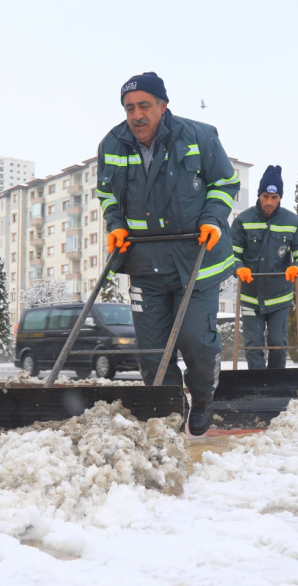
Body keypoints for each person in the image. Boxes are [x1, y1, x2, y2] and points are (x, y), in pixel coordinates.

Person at [97, 71, 240, 436]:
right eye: (129, 108)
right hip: (145, 263)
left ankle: (204, 396)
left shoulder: (198, 137)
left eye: (144, 106)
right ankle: (172, 408)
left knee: (195, 339)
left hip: (196, 258)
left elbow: (225, 182)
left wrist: (211, 218)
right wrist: (115, 225)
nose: (136, 115)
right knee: (151, 353)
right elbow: (108, 196)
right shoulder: (112, 145)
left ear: (163, 105)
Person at [231, 165, 298, 369]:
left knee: (278, 343)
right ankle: (258, 388)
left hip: (280, 296)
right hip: (250, 297)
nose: (269, 202)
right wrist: (238, 267)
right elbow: (230, 254)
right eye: (265, 196)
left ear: (280, 198)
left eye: (274, 197)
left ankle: (276, 385)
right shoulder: (243, 220)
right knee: (253, 346)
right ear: (259, 195)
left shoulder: (293, 222)